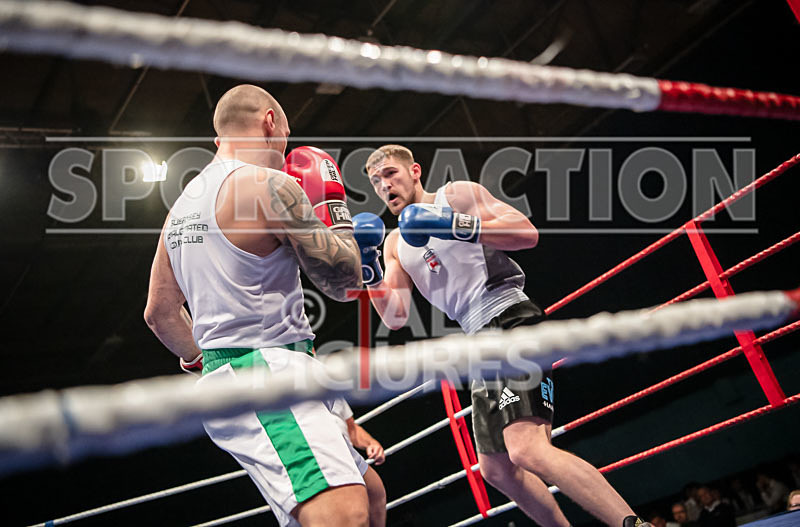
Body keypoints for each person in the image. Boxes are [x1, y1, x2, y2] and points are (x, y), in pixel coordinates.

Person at [354, 144, 650, 527]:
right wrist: (370, 268)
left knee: (528, 449)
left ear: (414, 171)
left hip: (511, 318)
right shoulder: (394, 244)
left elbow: (526, 233)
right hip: (479, 342)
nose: (384, 185)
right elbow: (394, 316)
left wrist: (456, 225)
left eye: (390, 173)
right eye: (376, 181)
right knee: (496, 469)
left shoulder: (456, 196)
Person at [144, 84, 386, 527]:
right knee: (345, 513)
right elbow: (345, 282)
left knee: (371, 496)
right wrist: (334, 209)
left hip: (247, 374)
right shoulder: (271, 186)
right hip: (267, 375)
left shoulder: (178, 211)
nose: (285, 149)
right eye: (286, 136)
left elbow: (159, 313)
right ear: (270, 123)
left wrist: (208, 360)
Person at [330, 398, 387, 526]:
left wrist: (371, 443)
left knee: (376, 494)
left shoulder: (333, 393)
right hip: (321, 456)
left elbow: (352, 430)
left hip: (347, 456)